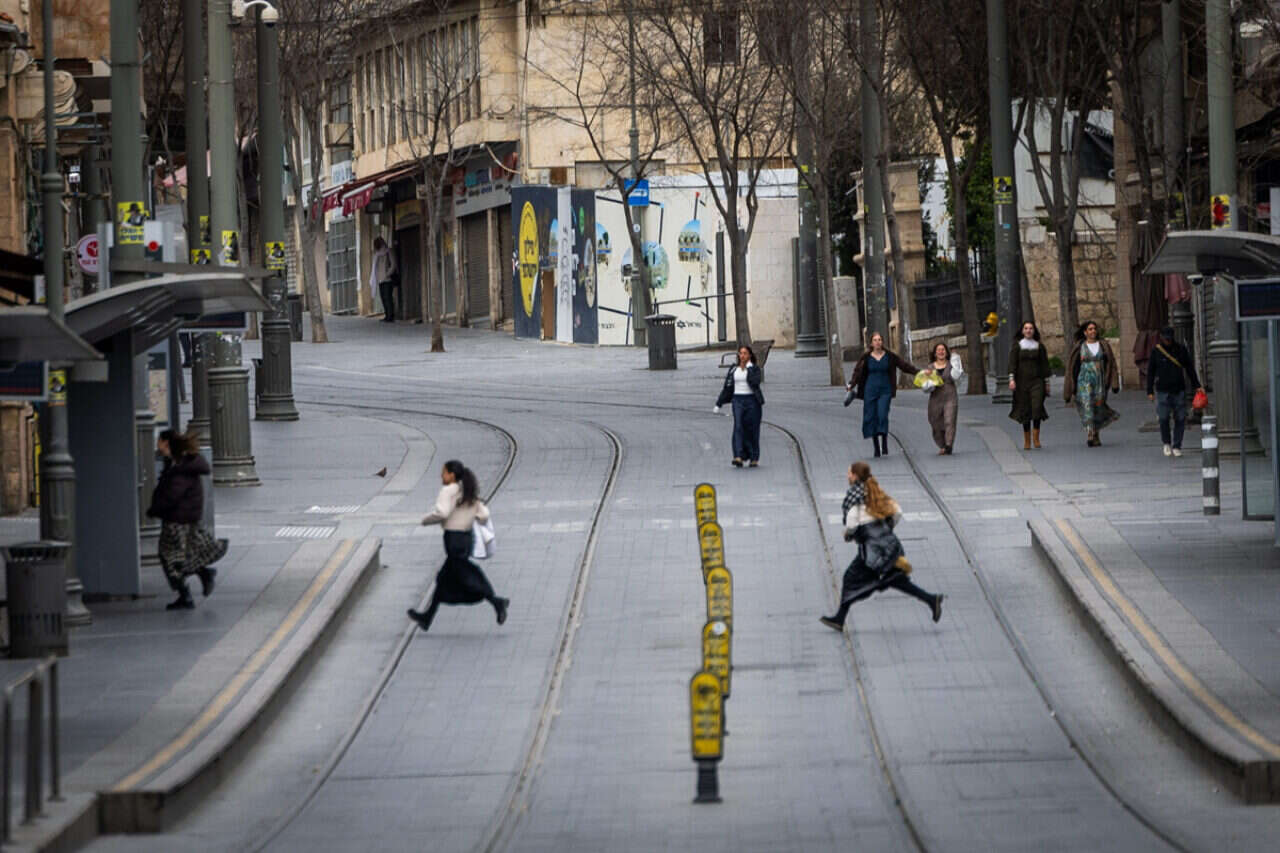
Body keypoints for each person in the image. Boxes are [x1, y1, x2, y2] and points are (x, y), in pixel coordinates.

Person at [819, 461, 943, 631]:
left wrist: (848, 534)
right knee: (895, 579)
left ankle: (840, 618)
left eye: (849, 473)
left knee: (851, 578)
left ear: (855, 476)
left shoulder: (854, 496)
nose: (847, 476)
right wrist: (886, 527)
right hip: (890, 546)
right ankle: (931, 600)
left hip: (872, 551)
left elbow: (852, 524)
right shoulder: (874, 491)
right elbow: (897, 511)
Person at [408, 460, 509, 632]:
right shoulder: (468, 491)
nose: (442, 476)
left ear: (452, 475)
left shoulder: (448, 491)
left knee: (469, 575)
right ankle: (427, 617)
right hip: (466, 539)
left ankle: (497, 601)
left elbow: (442, 512)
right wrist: (469, 515)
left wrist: (425, 520)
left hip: (453, 540)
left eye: (444, 472)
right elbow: (484, 515)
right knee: (443, 578)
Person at [147, 430, 228, 610]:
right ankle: (200, 577)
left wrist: (156, 508)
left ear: (165, 442)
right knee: (179, 555)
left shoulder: (181, 466)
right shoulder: (179, 462)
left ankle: (190, 589)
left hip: (178, 518)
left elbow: (173, 493)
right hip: (183, 517)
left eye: (158, 441)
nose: (157, 445)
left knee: (170, 557)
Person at [846, 332, 921, 458]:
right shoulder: (866, 358)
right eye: (875, 340)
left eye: (880, 340)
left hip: (885, 389)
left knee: (882, 414)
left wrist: (919, 372)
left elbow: (904, 366)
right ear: (871, 343)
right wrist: (851, 385)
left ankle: (884, 441)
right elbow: (857, 373)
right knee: (871, 417)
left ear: (882, 342)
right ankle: (876, 446)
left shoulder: (890, 356)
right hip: (870, 390)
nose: (878, 342)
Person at [1146, 325, 1204, 458]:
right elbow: (1151, 372)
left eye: (1169, 338)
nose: (1168, 341)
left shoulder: (1180, 350)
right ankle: (1166, 443)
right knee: (1163, 418)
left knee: (1180, 418)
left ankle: (1177, 445)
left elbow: (1189, 368)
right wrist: (1150, 391)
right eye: (1166, 338)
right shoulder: (1156, 351)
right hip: (1162, 390)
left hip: (1178, 389)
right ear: (1161, 337)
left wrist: (1197, 385)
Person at [1065, 320, 1120, 447]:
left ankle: (1096, 434)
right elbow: (1071, 366)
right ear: (1085, 332)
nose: (1093, 331)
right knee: (1087, 404)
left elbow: (1112, 364)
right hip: (1084, 380)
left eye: (1094, 328)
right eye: (1090, 329)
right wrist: (1069, 387)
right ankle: (1090, 433)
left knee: (1098, 406)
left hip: (1100, 380)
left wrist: (1114, 383)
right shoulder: (1079, 346)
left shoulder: (1103, 345)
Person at [714, 345, 764, 467]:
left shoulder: (755, 369)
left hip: (752, 401)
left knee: (752, 429)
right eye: (740, 353)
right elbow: (727, 387)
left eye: (745, 353)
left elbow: (755, 382)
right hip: (738, 400)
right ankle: (738, 456)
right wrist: (719, 403)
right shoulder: (733, 370)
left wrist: (748, 368)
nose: (742, 356)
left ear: (750, 355)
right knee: (738, 427)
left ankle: (754, 457)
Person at [1008, 321, 1051, 450]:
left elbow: (1045, 365)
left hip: (1037, 381)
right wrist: (1011, 379)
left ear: (1034, 330)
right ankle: (1027, 440)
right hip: (1022, 382)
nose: (1028, 330)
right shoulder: (1017, 346)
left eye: (1031, 328)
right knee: (1025, 409)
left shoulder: (1039, 346)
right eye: (1026, 328)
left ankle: (1036, 437)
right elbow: (1012, 364)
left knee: (1036, 407)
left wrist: (1047, 383)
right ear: (1022, 331)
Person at [925, 341, 964, 455]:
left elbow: (956, 376)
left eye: (943, 350)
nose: (941, 352)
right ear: (935, 353)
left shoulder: (952, 364)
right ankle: (942, 444)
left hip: (950, 396)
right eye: (938, 350)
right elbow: (925, 387)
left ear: (946, 352)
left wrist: (956, 359)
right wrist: (929, 381)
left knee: (949, 421)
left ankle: (948, 445)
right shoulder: (930, 367)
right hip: (935, 398)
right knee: (935, 422)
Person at [370, 236, 398, 322]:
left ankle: (390, 316)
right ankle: (387, 315)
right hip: (380, 279)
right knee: (383, 298)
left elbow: (393, 264)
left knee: (388, 297)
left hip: (387, 279)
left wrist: (387, 274)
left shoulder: (388, 251)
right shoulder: (377, 254)